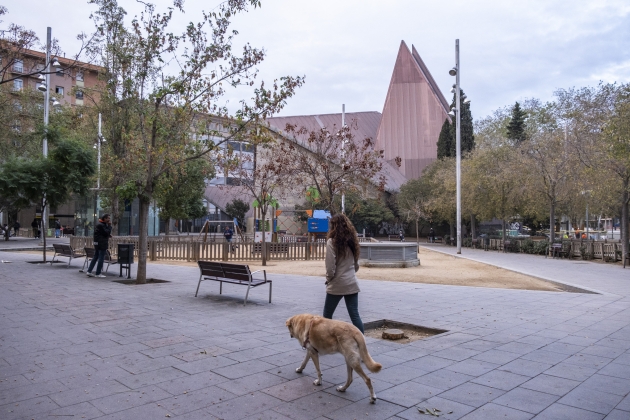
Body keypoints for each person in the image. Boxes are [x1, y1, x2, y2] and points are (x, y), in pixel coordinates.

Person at [323, 213, 364, 334]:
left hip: (337, 283)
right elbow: (356, 266)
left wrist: (329, 279)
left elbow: (330, 267)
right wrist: (350, 273)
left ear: (333, 226)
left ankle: (325, 341)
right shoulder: (352, 243)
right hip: (351, 283)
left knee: (327, 315)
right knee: (355, 315)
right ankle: (362, 343)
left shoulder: (332, 242)